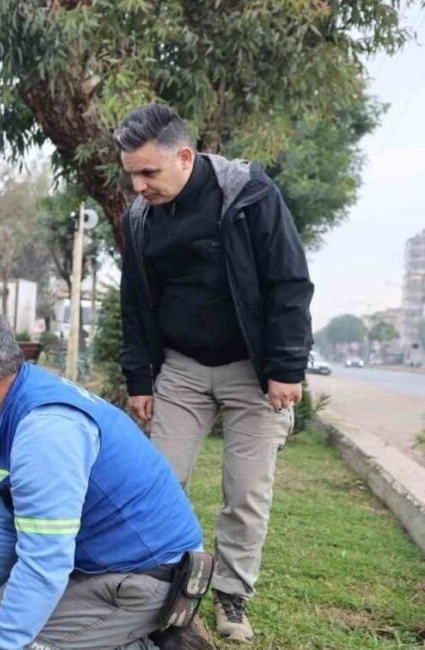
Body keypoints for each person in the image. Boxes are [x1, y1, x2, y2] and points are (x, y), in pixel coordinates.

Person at [114, 104, 313, 642]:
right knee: (156, 481)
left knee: (246, 492)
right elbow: (134, 304)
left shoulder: (249, 193)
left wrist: (287, 367)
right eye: (131, 173)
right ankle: (160, 585)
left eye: (148, 173)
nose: (138, 185)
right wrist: (139, 379)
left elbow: (289, 282)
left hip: (254, 370)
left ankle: (232, 596)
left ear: (185, 156)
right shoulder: (140, 217)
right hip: (180, 368)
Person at [0, 302, 205, 650]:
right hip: (101, 564)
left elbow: (45, 563)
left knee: (11, 643)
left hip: (148, 576)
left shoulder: (45, 431)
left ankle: (159, 640)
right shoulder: (10, 406)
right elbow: (5, 521)